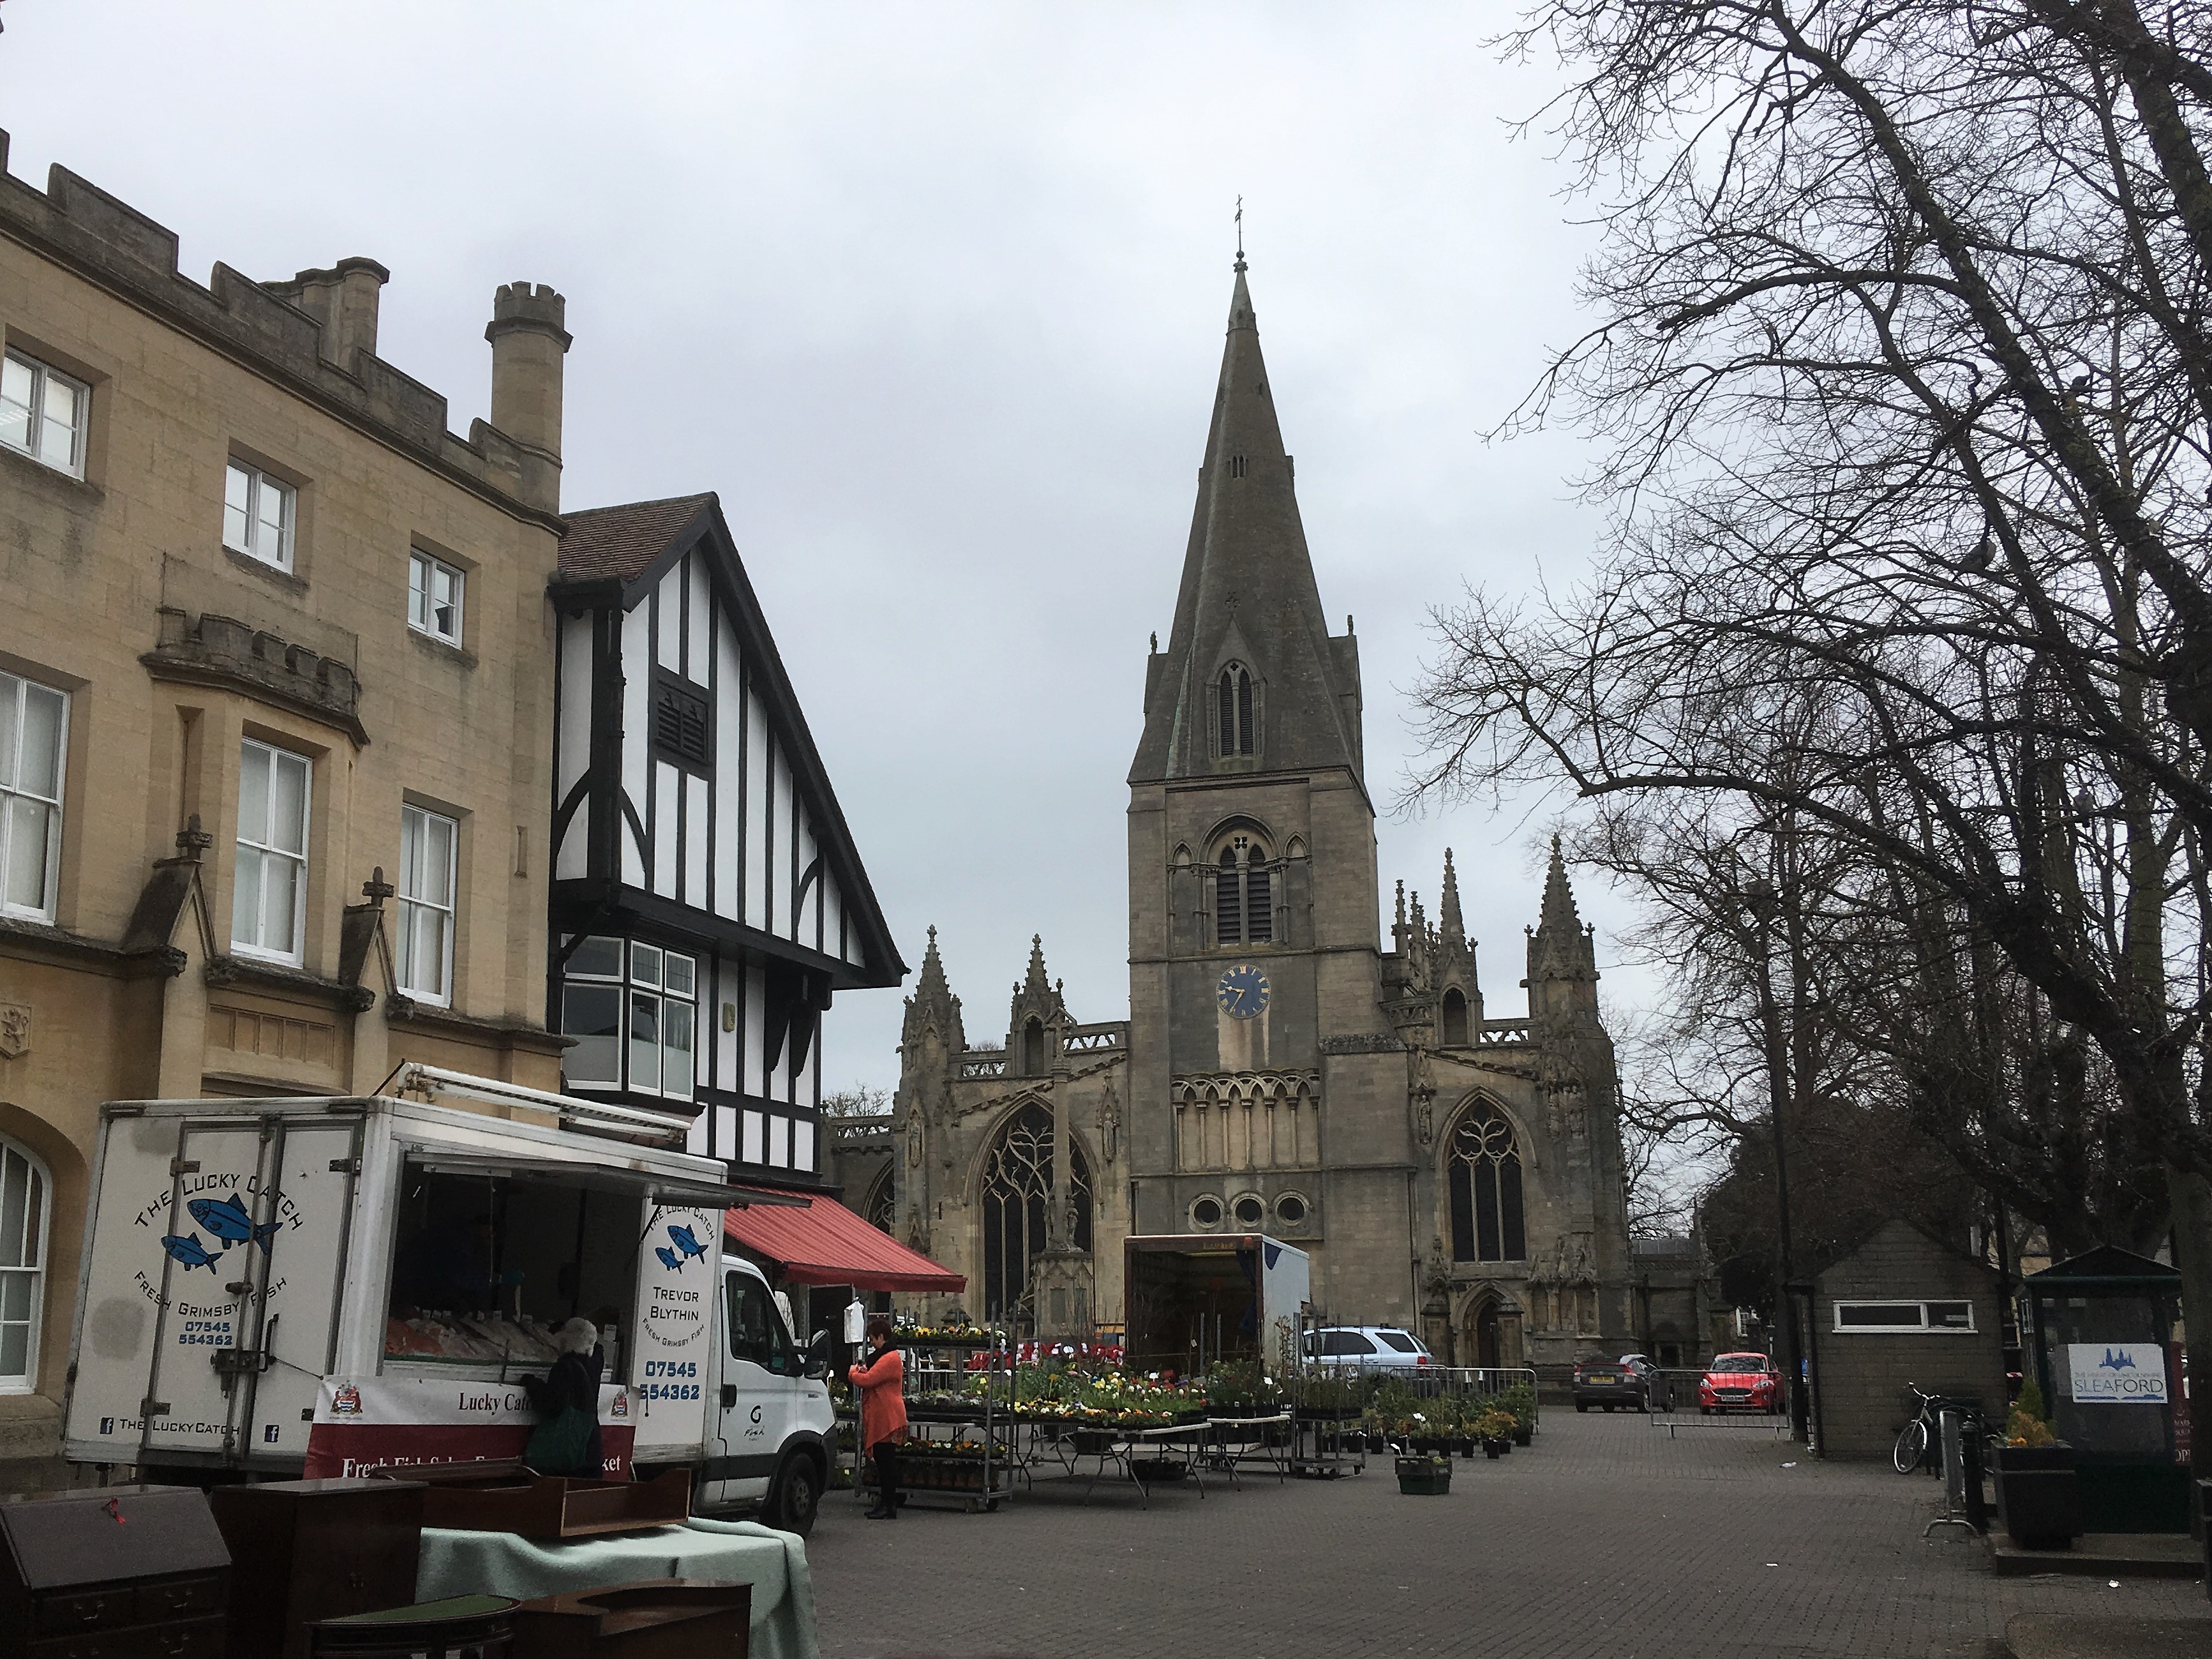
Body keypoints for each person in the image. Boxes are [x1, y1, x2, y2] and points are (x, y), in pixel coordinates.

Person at [523, 1316, 606, 1478]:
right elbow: (598, 1346)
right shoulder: (596, 1362)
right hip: (591, 1448)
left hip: (570, 1455)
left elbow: (552, 1405)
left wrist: (532, 1383)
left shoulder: (565, 1367)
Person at [846, 1316, 907, 1519]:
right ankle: (887, 1503)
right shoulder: (887, 1357)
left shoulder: (890, 1358)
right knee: (884, 1461)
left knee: (886, 1462)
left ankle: (889, 1505)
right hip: (884, 1413)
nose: (871, 1343)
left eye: (872, 1339)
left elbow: (868, 1379)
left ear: (881, 1337)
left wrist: (853, 1372)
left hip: (886, 1416)